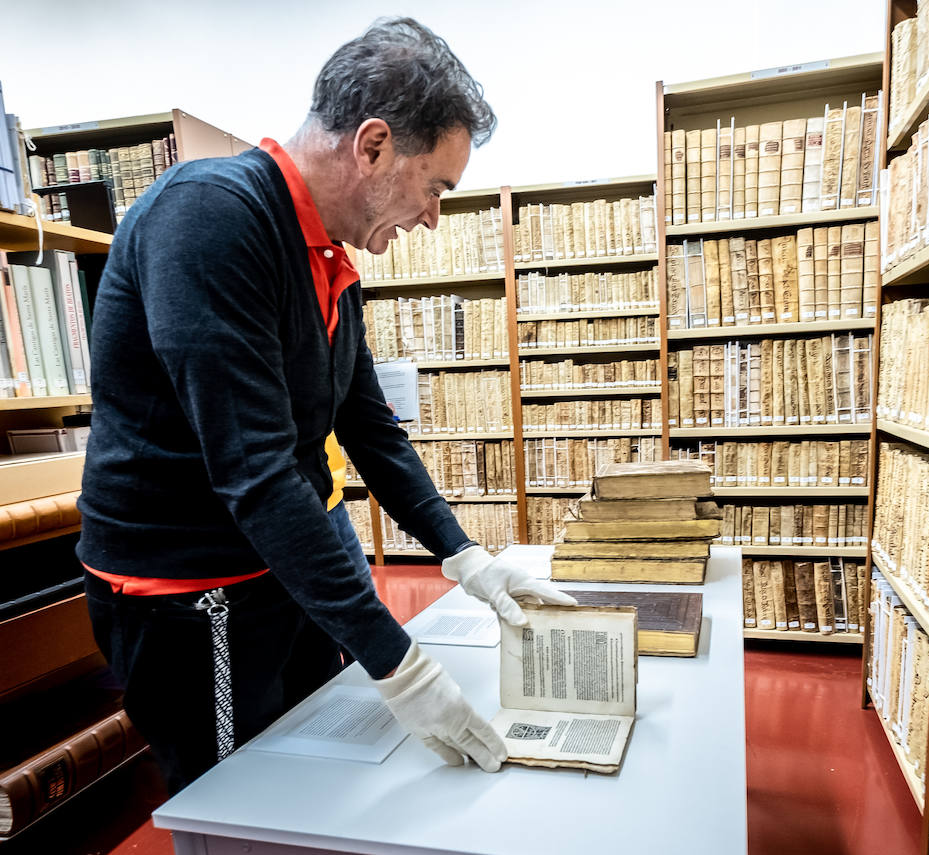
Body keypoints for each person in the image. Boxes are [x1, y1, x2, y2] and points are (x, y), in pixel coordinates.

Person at [77, 17, 574, 794]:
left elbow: (370, 428)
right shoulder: (212, 219)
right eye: (436, 187)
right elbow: (256, 472)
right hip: (191, 597)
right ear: (372, 145)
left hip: (281, 571)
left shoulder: (328, 255)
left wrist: (467, 556)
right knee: (243, 809)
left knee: (319, 791)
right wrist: (400, 665)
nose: (433, 217)